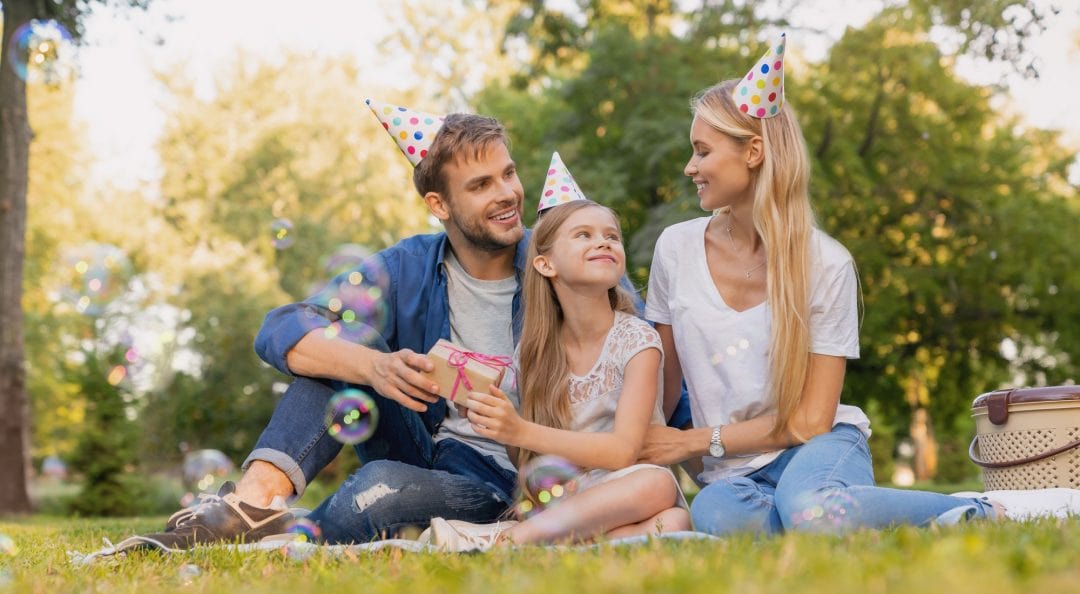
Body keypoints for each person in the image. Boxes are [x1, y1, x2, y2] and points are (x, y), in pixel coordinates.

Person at [145, 104, 688, 549]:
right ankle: (255, 502)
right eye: (480, 185)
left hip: (501, 476)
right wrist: (375, 366)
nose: (506, 194)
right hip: (417, 441)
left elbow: (638, 371)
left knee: (379, 489)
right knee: (339, 345)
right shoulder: (408, 266)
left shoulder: (561, 263)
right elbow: (282, 327)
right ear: (439, 204)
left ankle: (299, 529)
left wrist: (712, 460)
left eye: (508, 173)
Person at [639, 35, 1001, 535]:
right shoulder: (674, 249)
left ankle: (980, 510)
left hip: (819, 447)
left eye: (702, 151)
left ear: (754, 152)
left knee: (808, 506)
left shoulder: (826, 263)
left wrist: (693, 442)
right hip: (732, 474)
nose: (690, 167)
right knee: (717, 516)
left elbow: (810, 421)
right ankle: (841, 517)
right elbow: (663, 389)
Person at [410, 167, 689, 550]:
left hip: (622, 488)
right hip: (562, 498)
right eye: (584, 235)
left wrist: (519, 430)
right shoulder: (535, 351)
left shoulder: (637, 340)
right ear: (545, 264)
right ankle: (531, 540)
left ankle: (507, 540)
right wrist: (494, 416)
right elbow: (529, 458)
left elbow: (623, 451)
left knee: (667, 502)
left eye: (612, 236)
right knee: (668, 516)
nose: (604, 242)